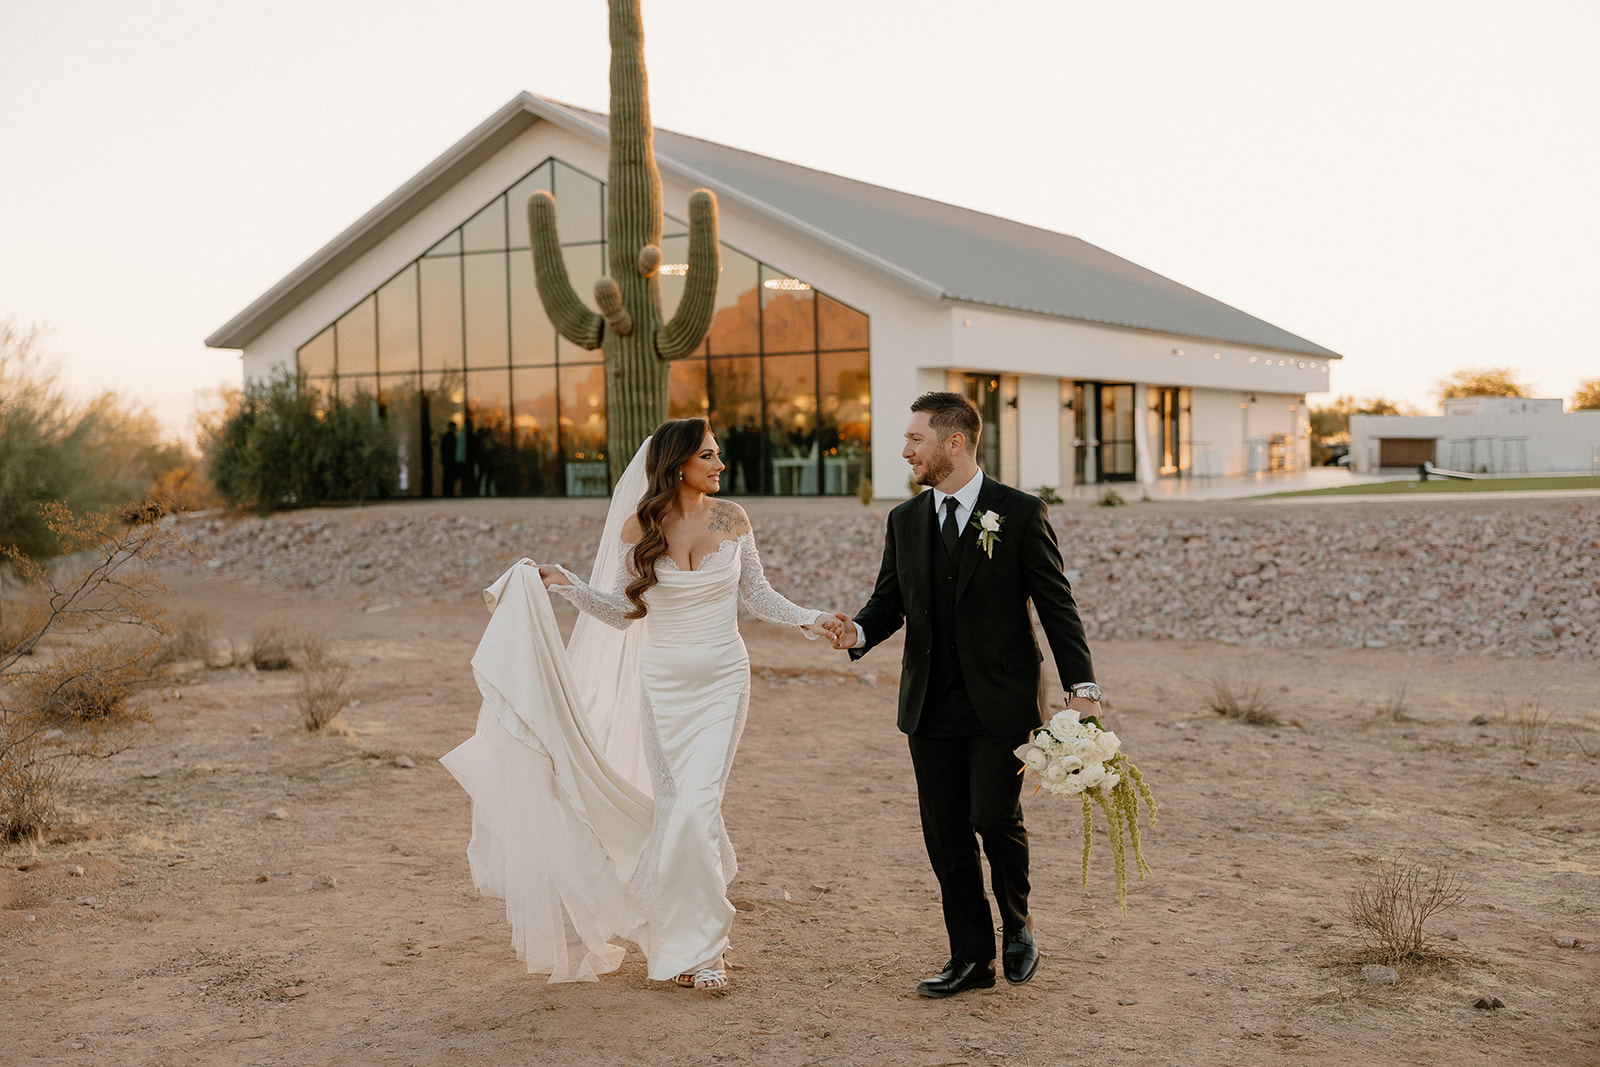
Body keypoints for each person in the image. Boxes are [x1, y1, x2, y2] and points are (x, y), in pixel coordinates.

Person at [442, 417, 836, 993]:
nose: (720, 465)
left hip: (724, 679)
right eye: (709, 456)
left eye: (718, 455)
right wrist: (569, 583)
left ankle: (706, 951)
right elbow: (626, 611)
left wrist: (811, 618)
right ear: (679, 463)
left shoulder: (733, 519)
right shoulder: (640, 527)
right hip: (665, 682)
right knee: (677, 809)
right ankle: (685, 940)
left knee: (699, 806)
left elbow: (757, 595)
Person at [825, 391, 1101, 998]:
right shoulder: (905, 520)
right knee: (945, 832)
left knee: (992, 817)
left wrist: (1083, 691)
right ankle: (971, 958)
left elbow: (1058, 608)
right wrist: (859, 630)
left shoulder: (1021, 513)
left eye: (915, 439)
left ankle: (1018, 923)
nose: (905, 451)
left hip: (1001, 699)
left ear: (954, 442)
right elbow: (889, 601)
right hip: (929, 703)